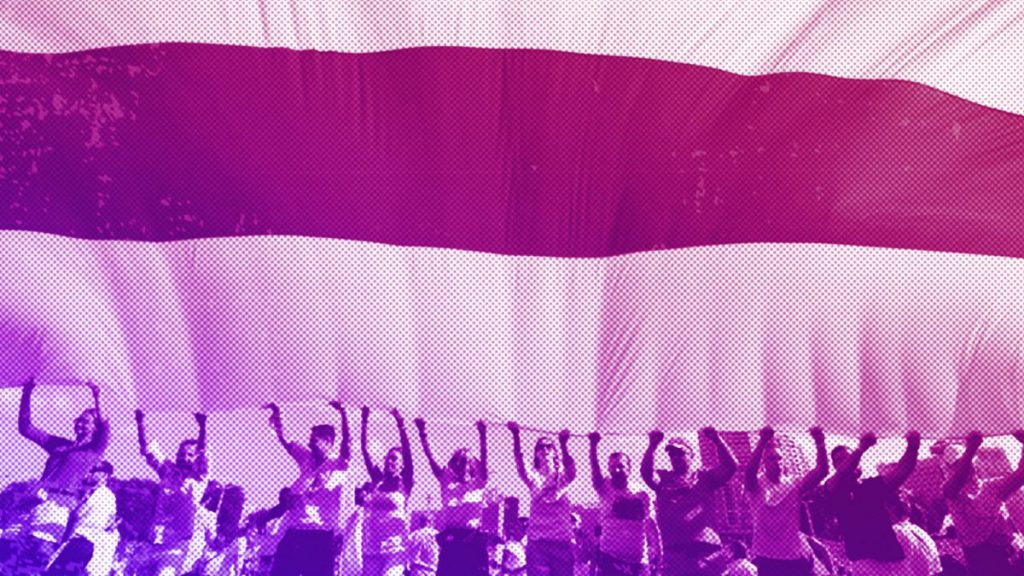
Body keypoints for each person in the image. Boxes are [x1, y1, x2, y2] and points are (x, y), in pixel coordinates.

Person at [8, 378, 109, 574]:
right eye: (79, 420)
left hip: (59, 505)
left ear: (94, 428)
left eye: (86, 422)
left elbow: (105, 426)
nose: (80, 424)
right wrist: (27, 391)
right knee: (10, 552)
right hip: (34, 502)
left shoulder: (93, 450)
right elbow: (25, 427)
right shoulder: (58, 444)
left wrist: (97, 396)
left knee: (37, 555)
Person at [266, 401, 351, 576]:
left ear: (329, 442)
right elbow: (286, 440)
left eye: (314, 440)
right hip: (296, 531)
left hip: (321, 536)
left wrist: (344, 414)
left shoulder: (338, 464)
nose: (310, 443)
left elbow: (347, 446)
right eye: (310, 439)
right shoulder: (306, 457)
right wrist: (278, 414)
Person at [640, 428, 737, 576]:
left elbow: (731, 467)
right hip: (675, 554)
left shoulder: (705, 477)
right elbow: (647, 474)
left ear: (692, 455)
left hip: (707, 552)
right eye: (672, 454)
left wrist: (717, 440)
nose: (675, 457)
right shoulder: (664, 478)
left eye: (681, 453)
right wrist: (652, 445)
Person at [823, 430, 921, 576]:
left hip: (893, 557)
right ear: (836, 467)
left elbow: (901, 472)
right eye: (841, 460)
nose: (850, 462)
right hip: (864, 562)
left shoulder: (870, 486)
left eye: (850, 458)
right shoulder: (833, 489)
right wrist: (861, 449)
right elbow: (843, 473)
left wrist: (913, 447)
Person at [132, 410, 211, 576]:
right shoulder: (167, 471)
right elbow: (146, 449)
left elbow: (202, 452)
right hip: (155, 538)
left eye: (190, 455)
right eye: (181, 454)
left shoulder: (199, 477)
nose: (185, 457)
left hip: (179, 544)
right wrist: (140, 422)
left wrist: (202, 427)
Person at [744, 427, 828, 576]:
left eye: (779, 458)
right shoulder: (756, 485)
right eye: (771, 458)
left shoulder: (795, 485)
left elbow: (822, 471)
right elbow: (749, 472)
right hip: (766, 556)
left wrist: (820, 442)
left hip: (794, 556)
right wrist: (763, 441)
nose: (776, 461)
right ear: (763, 463)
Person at [941, 430, 1024, 576]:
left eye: (964, 462)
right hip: (983, 561)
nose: (963, 467)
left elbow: (1021, 474)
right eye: (956, 465)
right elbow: (958, 479)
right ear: (949, 469)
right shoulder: (952, 493)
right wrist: (971, 449)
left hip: (1010, 554)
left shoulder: (992, 487)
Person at [415, 417, 490, 576]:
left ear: (473, 465)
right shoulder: (446, 481)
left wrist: (482, 434)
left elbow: (484, 461)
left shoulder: (479, 482)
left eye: (467, 461)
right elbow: (430, 457)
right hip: (452, 540)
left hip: (473, 541)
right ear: (453, 464)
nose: (463, 465)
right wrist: (423, 433)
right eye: (459, 461)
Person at [508, 421, 577, 576]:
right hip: (538, 543)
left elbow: (572, 472)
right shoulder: (533, 478)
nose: (544, 449)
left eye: (548, 446)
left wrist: (564, 444)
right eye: (540, 447)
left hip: (562, 543)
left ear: (554, 452)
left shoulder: (562, 476)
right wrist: (516, 434)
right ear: (536, 453)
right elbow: (520, 463)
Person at [589, 431, 654, 576]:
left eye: (620, 466)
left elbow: (650, 524)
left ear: (630, 469)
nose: (616, 470)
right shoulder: (605, 487)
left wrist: (658, 549)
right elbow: (595, 472)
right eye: (612, 467)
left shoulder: (642, 493)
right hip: (610, 558)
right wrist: (593, 445)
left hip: (638, 562)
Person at [359, 406, 414, 576]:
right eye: (387, 458)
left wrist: (400, 424)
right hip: (372, 549)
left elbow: (408, 451)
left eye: (394, 459)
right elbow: (365, 450)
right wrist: (365, 420)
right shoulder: (377, 480)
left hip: (395, 551)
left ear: (402, 464)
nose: (389, 462)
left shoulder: (405, 483)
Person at [43, 461, 119, 576]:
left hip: (85, 540)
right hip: (80, 540)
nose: (89, 473)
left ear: (105, 475)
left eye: (94, 471)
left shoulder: (105, 495)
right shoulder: (91, 493)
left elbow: (79, 516)